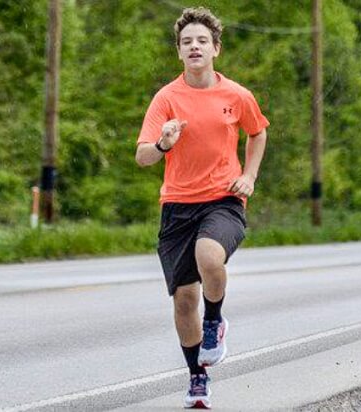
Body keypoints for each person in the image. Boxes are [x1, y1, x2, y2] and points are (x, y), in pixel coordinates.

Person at [135, 7, 269, 409]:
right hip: (177, 206)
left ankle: (215, 321)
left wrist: (249, 177)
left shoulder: (237, 95)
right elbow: (142, 156)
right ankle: (197, 377)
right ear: (179, 52)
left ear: (216, 49)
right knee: (183, 300)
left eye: (202, 41)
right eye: (186, 42)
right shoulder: (167, 98)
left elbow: (258, 132)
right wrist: (163, 143)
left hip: (224, 199)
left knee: (209, 256)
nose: (194, 47)